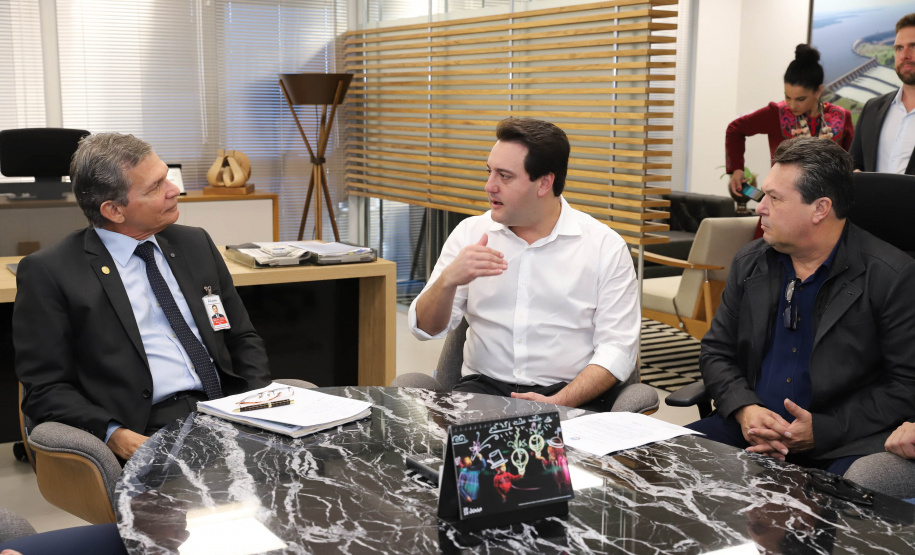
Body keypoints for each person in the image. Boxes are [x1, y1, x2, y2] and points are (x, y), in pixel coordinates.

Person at [14, 133, 272, 461]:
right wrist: (114, 435)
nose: (173, 190)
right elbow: (45, 389)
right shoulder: (51, 272)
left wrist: (260, 403)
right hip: (146, 427)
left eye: (166, 176)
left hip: (225, 408)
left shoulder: (195, 244)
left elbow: (241, 336)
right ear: (114, 210)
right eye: (155, 187)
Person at [689, 137, 915, 476]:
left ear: (820, 209)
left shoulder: (891, 276)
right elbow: (716, 352)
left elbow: (904, 386)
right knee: (662, 458)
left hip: (839, 444)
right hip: (748, 429)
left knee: (836, 509)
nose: (760, 206)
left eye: (774, 198)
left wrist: (821, 430)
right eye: (764, 194)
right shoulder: (750, 263)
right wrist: (744, 408)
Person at [407, 118, 640, 411]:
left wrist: (558, 402)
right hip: (482, 394)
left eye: (505, 176)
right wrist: (448, 281)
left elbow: (618, 350)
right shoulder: (470, 234)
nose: (489, 186)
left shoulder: (604, 247)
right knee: (441, 455)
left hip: (571, 399)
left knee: (554, 457)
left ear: (544, 182)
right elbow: (425, 330)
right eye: (489, 172)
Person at [725, 44, 854, 198]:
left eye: (800, 99)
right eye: (788, 97)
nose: (792, 105)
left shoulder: (840, 117)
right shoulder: (775, 113)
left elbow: (851, 163)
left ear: (818, 91)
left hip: (825, 205)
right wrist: (737, 170)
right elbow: (735, 129)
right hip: (779, 205)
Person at [850, 13, 915, 175]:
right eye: (899, 48)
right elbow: (852, 163)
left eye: (914, 46)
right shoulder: (872, 108)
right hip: (871, 201)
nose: (905, 55)